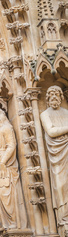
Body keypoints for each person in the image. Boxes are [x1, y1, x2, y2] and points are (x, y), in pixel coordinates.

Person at [0, 106, 27, 230]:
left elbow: (11, 145)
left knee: (7, 192)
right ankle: (6, 223)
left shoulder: (6, 128)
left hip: (5, 164)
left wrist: (3, 162)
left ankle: (14, 222)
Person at [40, 85, 68, 225]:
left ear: (61, 97)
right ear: (48, 98)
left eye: (57, 95)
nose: (54, 97)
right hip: (57, 154)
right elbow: (51, 132)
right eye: (51, 95)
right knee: (61, 184)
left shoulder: (66, 112)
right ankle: (63, 217)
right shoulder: (45, 114)